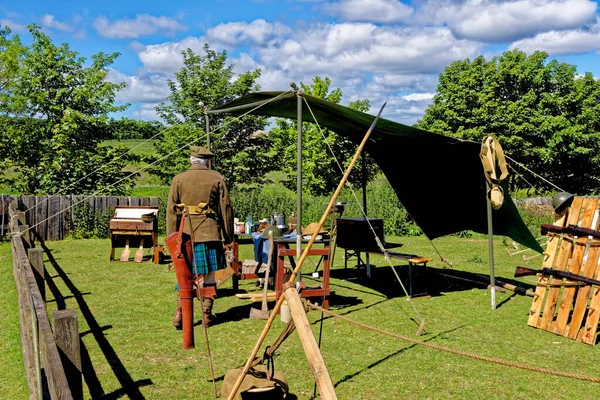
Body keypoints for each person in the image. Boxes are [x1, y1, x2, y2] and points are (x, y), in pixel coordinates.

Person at [167, 145, 234, 328]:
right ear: (207, 161)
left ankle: (180, 313)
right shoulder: (217, 178)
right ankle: (206, 314)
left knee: (185, 274)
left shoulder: (178, 179)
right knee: (211, 275)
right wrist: (228, 237)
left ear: (191, 160)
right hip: (210, 234)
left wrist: (172, 238)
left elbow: (171, 211)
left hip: (185, 235)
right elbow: (226, 209)